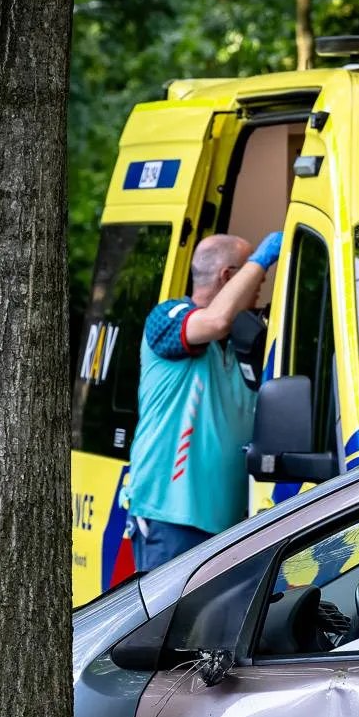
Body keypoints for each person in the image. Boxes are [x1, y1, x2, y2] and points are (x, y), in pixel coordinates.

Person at [127, 230, 283, 570]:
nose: (259, 285)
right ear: (228, 276)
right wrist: (262, 257)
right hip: (172, 520)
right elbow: (214, 321)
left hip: (232, 527)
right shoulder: (167, 319)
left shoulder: (239, 341)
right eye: (253, 275)